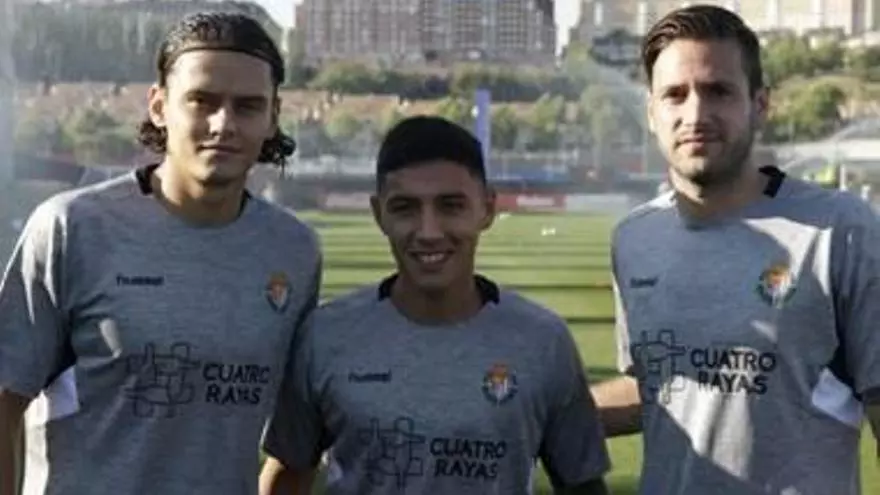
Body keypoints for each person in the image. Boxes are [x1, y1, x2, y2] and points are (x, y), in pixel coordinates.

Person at [0, 12, 321, 495]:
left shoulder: (294, 250)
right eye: (202, 101)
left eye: (247, 106)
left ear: (273, 117)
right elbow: (4, 399)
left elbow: (294, 443)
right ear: (159, 106)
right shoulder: (72, 228)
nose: (223, 124)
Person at [591, 5, 880, 495]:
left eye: (718, 91)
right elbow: (666, 385)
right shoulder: (634, 239)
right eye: (675, 94)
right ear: (651, 112)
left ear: (760, 104)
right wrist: (533, 413)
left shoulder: (840, 229)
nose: (695, 114)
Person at [258, 116, 611, 495]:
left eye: (451, 206)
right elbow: (287, 473)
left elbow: (582, 484)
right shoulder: (325, 337)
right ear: (379, 214)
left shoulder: (544, 341)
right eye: (405, 208)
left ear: (487, 209)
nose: (428, 232)